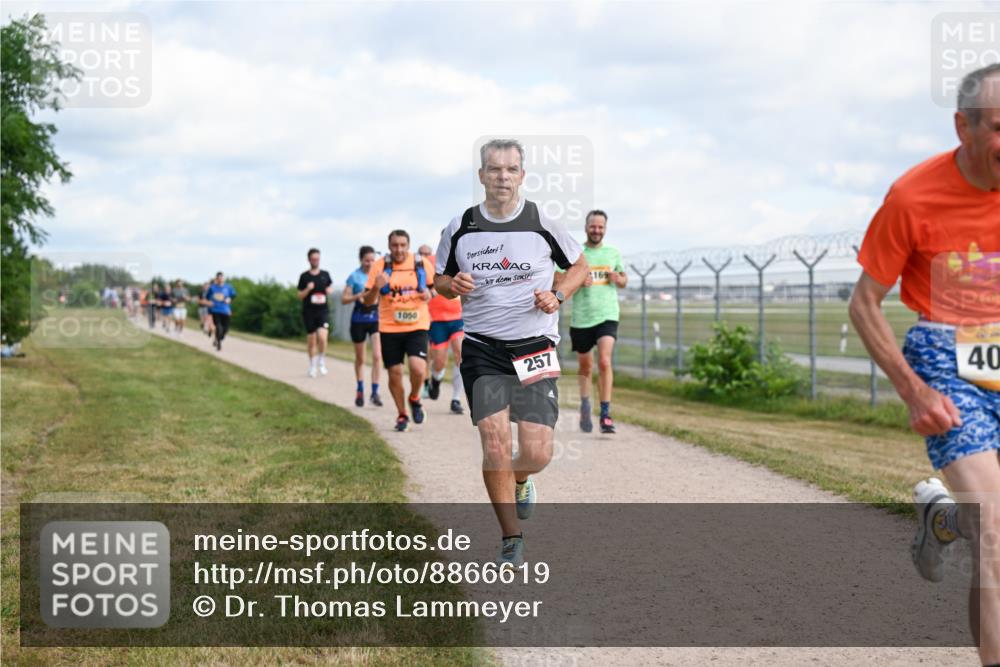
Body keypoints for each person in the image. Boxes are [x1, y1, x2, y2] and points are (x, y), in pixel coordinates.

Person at [849, 63, 999, 666]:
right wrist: (913, 391)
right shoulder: (914, 197)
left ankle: (943, 520)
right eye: (998, 127)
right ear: (963, 126)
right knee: (995, 532)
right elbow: (865, 304)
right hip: (946, 358)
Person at [434, 138, 587, 568]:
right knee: (495, 442)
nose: (503, 176)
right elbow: (440, 280)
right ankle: (511, 537)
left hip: (535, 346)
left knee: (537, 453)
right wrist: (452, 285)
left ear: (522, 175)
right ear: (481, 175)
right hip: (482, 348)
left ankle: (519, 479)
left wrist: (558, 294)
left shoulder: (541, 222)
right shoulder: (461, 226)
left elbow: (580, 267)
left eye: (511, 169)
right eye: (495, 169)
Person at [557, 209, 627, 434]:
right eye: (593, 226)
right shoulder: (576, 254)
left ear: (605, 229)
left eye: (600, 227)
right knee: (585, 367)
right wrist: (577, 280)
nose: (597, 230)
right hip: (582, 318)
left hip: (608, 315)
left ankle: (605, 414)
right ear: (586, 227)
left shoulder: (613, 253)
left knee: (605, 362)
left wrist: (618, 278)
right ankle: (585, 404)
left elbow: (624, 279)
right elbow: (558, 278)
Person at [363, 230, 434, 432]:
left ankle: (415, 397)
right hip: (389, 327)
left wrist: (430, 294)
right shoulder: (380, 266)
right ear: (389, 246)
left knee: (418, 368)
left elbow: (435, 288)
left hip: (417, 325)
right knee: (394, 373)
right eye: (395, 245)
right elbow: (367, 301)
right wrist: (376, 288)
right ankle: (402, 414)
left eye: (403, 245)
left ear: (408, 245)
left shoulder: (420, 263)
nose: (399, 249)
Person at [426, 249, 466, 415]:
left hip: (458, 317)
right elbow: (424, 288)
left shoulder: (464, 258)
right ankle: (436, 379)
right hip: (436, 319)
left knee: (460, 355)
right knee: (439, 361)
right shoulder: (430, 262)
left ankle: (456, 399)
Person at [342, 245, 383, 407]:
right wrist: (358, 296)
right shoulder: (354, 276)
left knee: (377, 356)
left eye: (373, 260)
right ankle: (360, 389)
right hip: (358, 319)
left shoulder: (378, 275)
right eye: (367, 260)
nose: (370, 263)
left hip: (375, 319)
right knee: (361, 359)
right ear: (361, 260)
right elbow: (344, 299)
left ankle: (375, 392)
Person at [297, 248, 335, 378]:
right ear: (309, 260)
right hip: (309, 312)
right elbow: (300, 295)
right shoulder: (304, 276)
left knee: (323, 338)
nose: (315, 261)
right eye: (313, 259)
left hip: (322, 311)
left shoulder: (325, 275)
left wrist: (329, 290)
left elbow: (330, 287)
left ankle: (321, 360)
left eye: (317, 259)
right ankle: (312, 365)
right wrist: (308, 289)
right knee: (312, 340)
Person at [202, 271, 236, 351]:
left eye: (221, 277)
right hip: (215, 310)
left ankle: (219, 338)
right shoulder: (212, 287)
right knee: (218, 326)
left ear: (223, 278)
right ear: (216, 279)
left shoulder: (228, 287)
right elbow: (207, 297)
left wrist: (229, 299)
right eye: (218, 278)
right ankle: (219, 343)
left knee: (226, 328)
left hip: (225, 310)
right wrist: (209, 302)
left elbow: (233, 295)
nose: (220, 279)